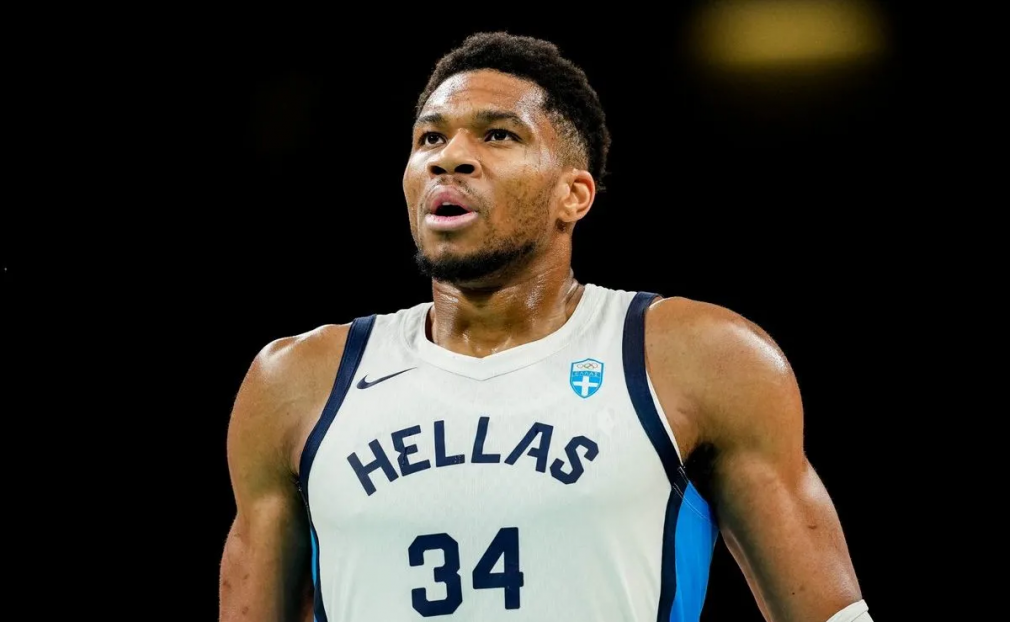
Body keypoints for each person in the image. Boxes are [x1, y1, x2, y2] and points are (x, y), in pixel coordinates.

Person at [218, 31, 872, 622]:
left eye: (498, 135)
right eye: (430, 139)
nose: (451, 158)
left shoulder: (696, 357)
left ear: (574, 195)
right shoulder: (296, 382)